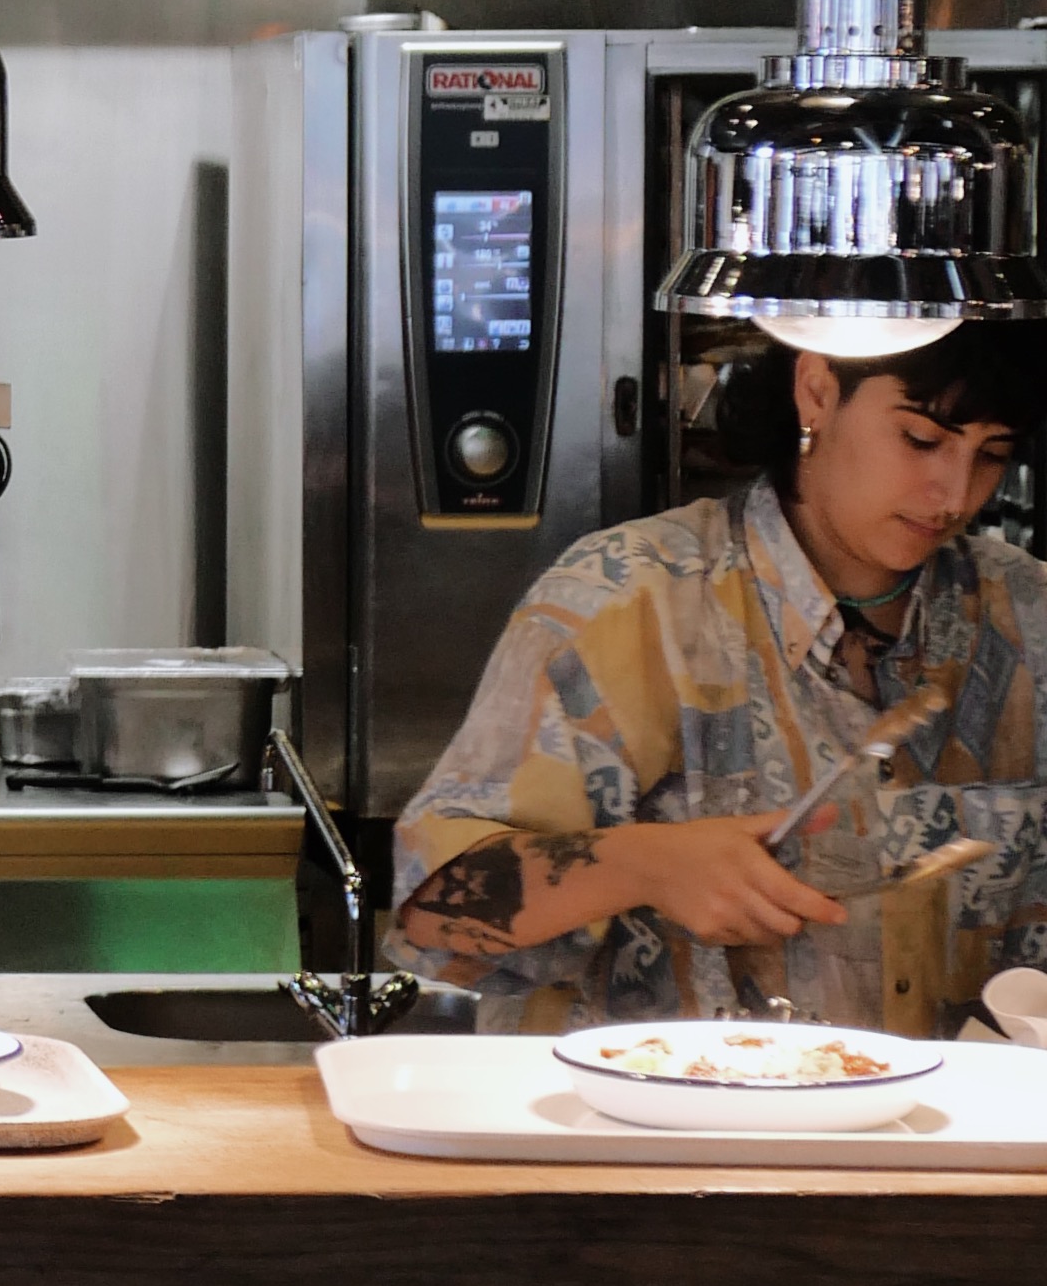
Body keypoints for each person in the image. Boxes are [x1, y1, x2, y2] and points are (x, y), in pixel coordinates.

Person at [390, 323, 1047, 1030]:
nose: (953, 492)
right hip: (654, 1126)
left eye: (992, 456)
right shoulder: (631, 597)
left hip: (945, 1130)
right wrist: (642, 865)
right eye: (921, 440)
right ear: (817, 391)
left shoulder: (1025, 615)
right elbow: (431, 915)